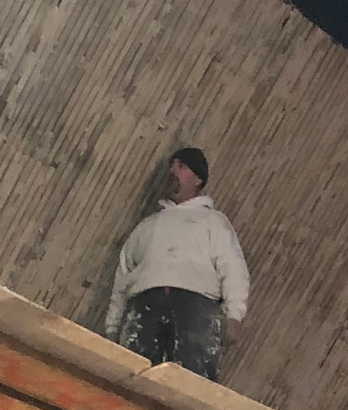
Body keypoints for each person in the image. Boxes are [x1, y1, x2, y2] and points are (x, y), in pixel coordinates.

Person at [104, 147, 249, 379]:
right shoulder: (146, 227)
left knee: (193, 384)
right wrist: (112, 327)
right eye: (171, 168)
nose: (173, 172)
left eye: (181, 167)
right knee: (136, 381)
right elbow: (123, 278)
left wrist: (234, 315)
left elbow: (233, 268)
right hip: (145, 306)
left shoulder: (214, 222)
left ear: (198, 179)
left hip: (194, 309)